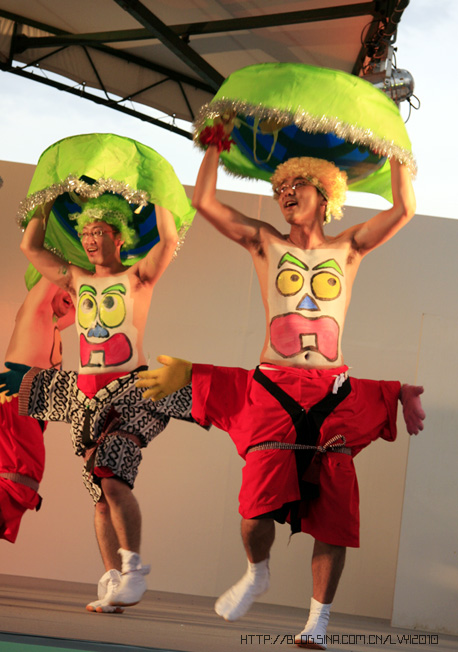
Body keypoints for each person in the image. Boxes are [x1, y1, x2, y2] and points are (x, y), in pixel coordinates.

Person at [137, 138, 425, 649]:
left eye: (297, 185)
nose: (286, 193)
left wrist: (396, 148)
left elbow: (405, 208)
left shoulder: (349, 247)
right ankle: (257, 571)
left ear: (326, 194)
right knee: (253, 514)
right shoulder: (265, 243)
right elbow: (205, 201)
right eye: (280, 187)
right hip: (275, 385)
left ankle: (318, 621)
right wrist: (214, 149)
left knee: (334, 518)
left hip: (331, 390)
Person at [17, 193, 189, 614]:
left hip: (131, 390)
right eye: (87, 233)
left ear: (119, 237)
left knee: (112, 474)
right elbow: (30, 248)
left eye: (100, 232)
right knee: (99, 493)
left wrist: (162, 194)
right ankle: (113, 581)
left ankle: (133, 572)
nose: (91, 240)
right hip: (86, 396)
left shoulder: (137, 278)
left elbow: (168, 240)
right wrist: (46, 200)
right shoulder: (75, 279)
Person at [0, 277, 74, 543]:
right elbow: (53, 271)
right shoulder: (36, 310)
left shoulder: (53, 324)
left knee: (18, 484)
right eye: (65, 286)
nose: (70, 293)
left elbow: (87, 302)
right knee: (19, 483)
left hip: (23, 410)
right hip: (16, 401)